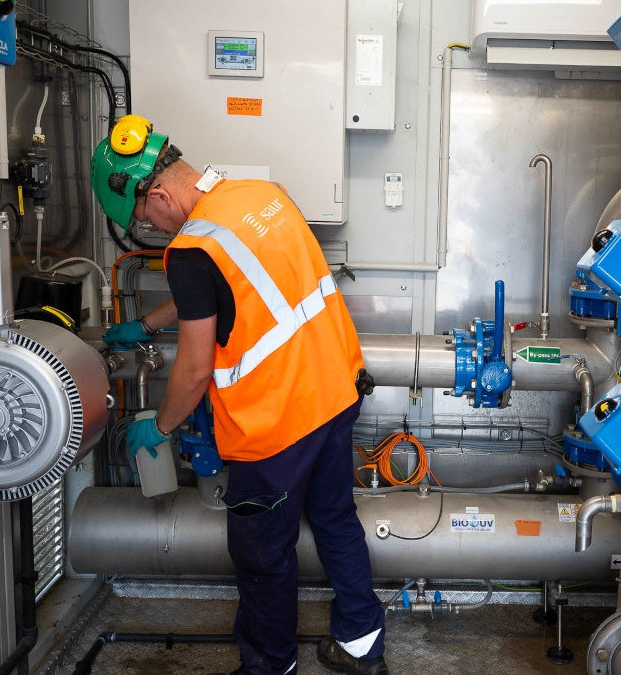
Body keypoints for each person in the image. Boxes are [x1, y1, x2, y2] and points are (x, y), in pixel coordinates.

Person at [91, 115, 386, 675]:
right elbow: (228, 284)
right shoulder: (259, 195)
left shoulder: (192, 250)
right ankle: (361, 644)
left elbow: (197, 366)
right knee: (335, 520)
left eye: (143, 216)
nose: (151, 227)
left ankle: (270, 666)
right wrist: (149, 325)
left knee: (261, 557)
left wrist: (163, 424)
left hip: (276, 423)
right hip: (335, 390)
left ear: (156, 191)